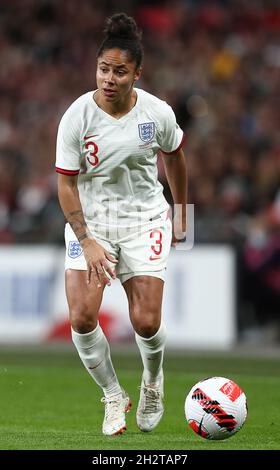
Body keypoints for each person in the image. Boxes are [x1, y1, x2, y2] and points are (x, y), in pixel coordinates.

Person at [55, 12, 187, 436]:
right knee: (80, 316)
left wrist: (182, 211)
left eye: (120, 71)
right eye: (103, 69)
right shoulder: (77, 117)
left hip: (145, 218)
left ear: (137, 73)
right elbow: (66, 184)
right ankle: (113, 394)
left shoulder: (157, 113)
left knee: (146, 321)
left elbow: (175, 156)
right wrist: (87, 240)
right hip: (91, 223)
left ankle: (152, 381)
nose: (109, 78)